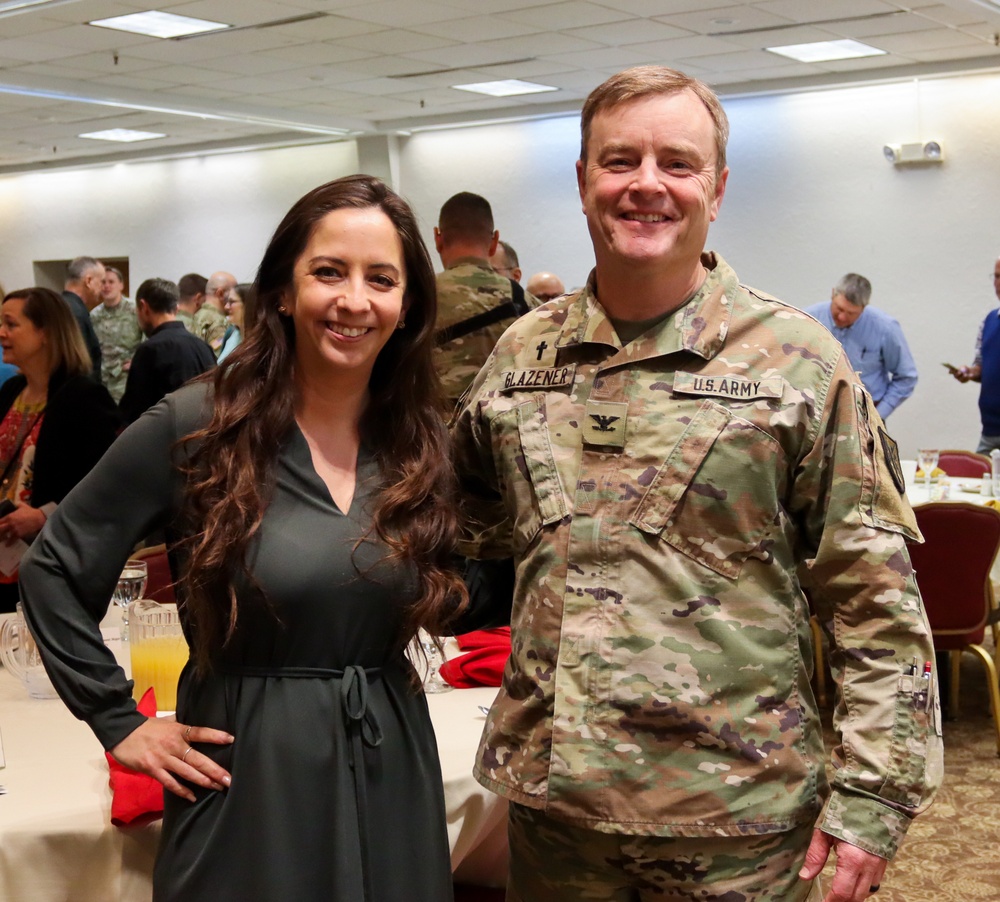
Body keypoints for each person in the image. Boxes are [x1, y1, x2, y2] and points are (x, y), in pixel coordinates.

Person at [451, 66, 941, 902]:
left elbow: (875, 602)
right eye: (620, 160)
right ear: (582, 182)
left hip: (736, 828)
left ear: (715, 189)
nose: (647, 184)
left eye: (677, 163)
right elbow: (455, 525)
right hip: (553, 822)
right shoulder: (522, 356)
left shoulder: (795, 362)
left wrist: (873, 796)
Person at [20, 175, 491, 902]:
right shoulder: (197, 425)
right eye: (328, 272)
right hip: (250, 773)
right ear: (280, 291)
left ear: (407, 306)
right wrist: (117, 720)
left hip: (390, 755)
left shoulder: (418, 436)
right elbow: (52, 566)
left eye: (382, 278)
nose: (354, 300)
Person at [0, 287, 119, 612]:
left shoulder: (83, 396)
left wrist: (43, 515)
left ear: (45, 333)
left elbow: (107, 486)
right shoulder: (11, 390)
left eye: (11, 324)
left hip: (49, 561)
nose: (1, 333)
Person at [433, 192, 529, 406]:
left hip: (430, 434)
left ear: (438, 239)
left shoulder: (413, 298)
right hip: (500, 433)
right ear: (494, 241)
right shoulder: (524, 302)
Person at [805, 273, 918, 419]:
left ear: (864, 308)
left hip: (864, 414)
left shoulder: (885, 328)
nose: (842, 317)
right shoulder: (808, 319)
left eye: (851, 313)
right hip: (814, 412)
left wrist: (877, 415)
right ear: (833, 294)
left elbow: (906, 377)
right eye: (839, 308)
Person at [118, 277, 216, 424]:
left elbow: (134, 412)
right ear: (176, 308)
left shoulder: (149, 350)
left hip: (163, 440)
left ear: (143, 307)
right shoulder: (203, 347)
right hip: (201, 437)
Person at [951, 255, 1000, 453]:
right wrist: (969, 372)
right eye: (996, 276)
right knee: (978, 482)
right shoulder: (989, 320)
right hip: (990, 428)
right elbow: (982, 365)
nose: (998, 283)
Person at [91, 265, 143, 402]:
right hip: (103, 378)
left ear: (121, 285)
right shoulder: (94, 315)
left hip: (126, 377)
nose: (106, 286)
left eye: (111, 282)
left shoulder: (135, 310)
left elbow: (149, 337)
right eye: (103, 282)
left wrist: (138, 361)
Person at [61, 255, 105, 381]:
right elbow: (79, 364)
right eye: (101, 281)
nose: (103, 288)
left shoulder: (61, 305)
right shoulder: (75, 312)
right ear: (89, 281)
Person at [193, 271, 235, 356]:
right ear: (220, 294)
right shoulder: (219, 322)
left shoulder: (195, 316)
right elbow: (219, 360)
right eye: (233, 293)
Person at [217, 282, 251, 363]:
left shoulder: (265, 340)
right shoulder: (231, 334)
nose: (226, 307)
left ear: (248, 305)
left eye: (231, 302)